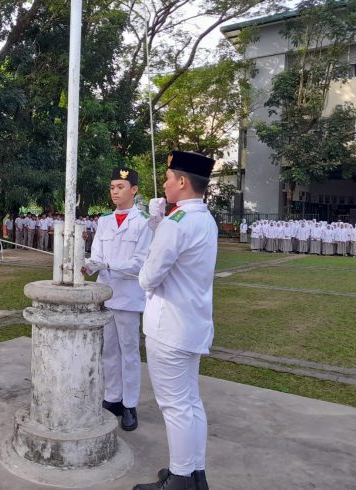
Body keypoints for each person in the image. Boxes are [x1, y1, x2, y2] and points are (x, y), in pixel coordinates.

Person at [134, 151, 217, 490]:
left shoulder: (178, 221)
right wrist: (159, 225)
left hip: (169, 328)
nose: (165, 185)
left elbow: (147, 278)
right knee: (190, 403)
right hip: (191, 324)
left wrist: (158, 227)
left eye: (168, 179)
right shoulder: (203, 219)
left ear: (183, 182)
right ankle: (194, 473)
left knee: (175, 406)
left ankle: (181, 478)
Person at [84, 167, 152, 433]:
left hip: (130, 297)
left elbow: (139, 263)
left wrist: (105, 264)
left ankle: (130, 404)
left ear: (133, 190)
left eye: (120, 187)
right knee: (109, 350)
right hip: (107, 294)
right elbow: (96, 256)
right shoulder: (104, 221)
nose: (115, 191)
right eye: (112, 187)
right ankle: (112, 398)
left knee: (129, 352)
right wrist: (87, 266)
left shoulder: (144, 221)